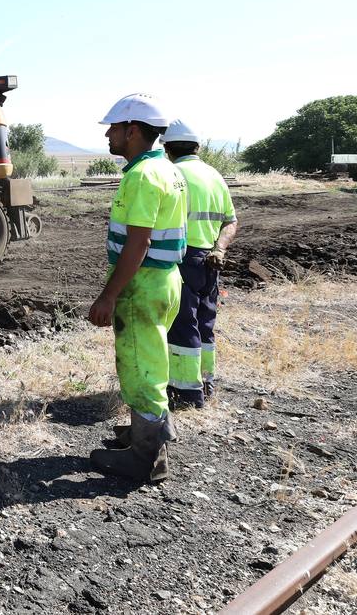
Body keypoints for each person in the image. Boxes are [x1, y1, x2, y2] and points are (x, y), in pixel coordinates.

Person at [88, 93, 187, 482]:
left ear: (132, 131)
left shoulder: (143, 176)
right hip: (166, 280)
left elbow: (138, 242)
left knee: (140, 367)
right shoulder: (169, 170)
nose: (108, 136)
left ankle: (146, 459)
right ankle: (148, 433)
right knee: (154, 359)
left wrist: (109, 295)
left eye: (113, 128)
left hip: (142, 285)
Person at [162, 120, 238, 406]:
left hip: (182, 260)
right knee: (205, 325)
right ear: (198, 147)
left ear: (167, 148)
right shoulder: (215, 175)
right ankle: (206, 383)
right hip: (210, 261)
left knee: (182, 326)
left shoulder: (172, 173)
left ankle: (186, 394)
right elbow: (231, 222)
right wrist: (219, 249)